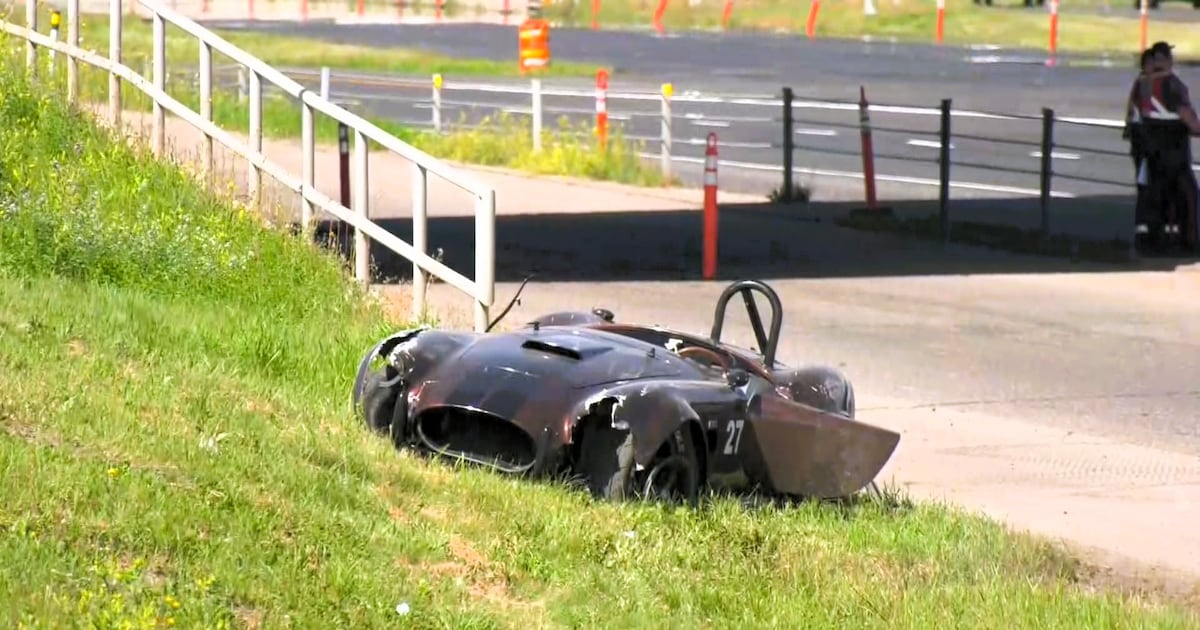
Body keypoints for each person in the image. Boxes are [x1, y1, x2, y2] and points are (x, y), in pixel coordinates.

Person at [1132, 41, 1200, 253]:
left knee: (1156, 197)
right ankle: (1188, 241)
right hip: (1175, 152)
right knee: (1188, 197)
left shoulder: (1143, 84)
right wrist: (1196, 128)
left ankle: (1153, 241)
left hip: (1153, 151)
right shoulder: (1172, 85)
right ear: (1167, 60)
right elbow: (1186, 115)